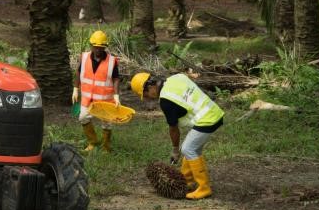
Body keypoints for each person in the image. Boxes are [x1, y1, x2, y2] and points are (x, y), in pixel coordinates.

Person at [131, 71, 224, 199]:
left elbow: (173, 128)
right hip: (213, 111)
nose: (148, 98)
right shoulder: (176, 78)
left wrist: (175, 150)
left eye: (146, 95)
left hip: (207, 119)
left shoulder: (166, 101)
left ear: (149, 86)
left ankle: (204, 187)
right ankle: (187, 180)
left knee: (188, 149)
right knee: (192, 149)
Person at [72, 30, 120, 152]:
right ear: (91, 46)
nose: (98, 50)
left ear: (105, 47)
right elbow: (78, 72)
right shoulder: (84, 57)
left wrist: (116, 95)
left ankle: (106, 147)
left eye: (101, 47)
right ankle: (92, 142)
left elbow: (115, 78)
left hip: (105, 99)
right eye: (95, 47)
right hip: (88, 98)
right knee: (83, 117)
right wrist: (75, 88)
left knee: (107, 123)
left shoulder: (111, 61)